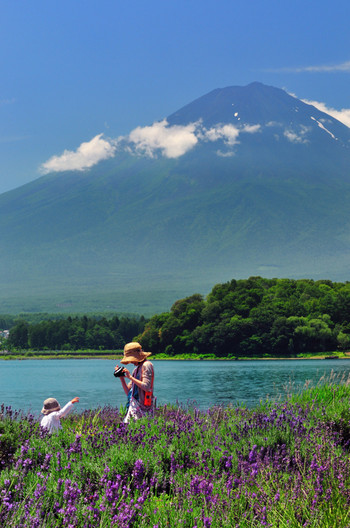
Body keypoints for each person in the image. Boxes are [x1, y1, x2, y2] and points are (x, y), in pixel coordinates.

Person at [115, 342, 155, 423]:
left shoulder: (146, 365)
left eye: (131, 359)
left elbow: (146, 387)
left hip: (143, 408)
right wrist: (122, 378)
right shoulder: (136, 370)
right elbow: (128, 392)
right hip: (134, 406)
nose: (131, 362)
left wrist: (130, 377)